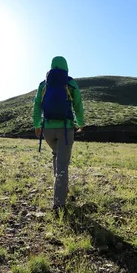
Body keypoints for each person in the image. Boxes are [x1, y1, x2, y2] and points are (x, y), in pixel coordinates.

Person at [33, 56, 85, 211]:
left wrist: (37, 125)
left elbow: (37, 105)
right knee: (62, 165)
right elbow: (78, 105)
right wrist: (81, 124)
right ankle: (58, 204)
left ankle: (63, 190)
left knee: (57, 155)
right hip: (65, 129)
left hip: (47, 130)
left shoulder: (44, 84)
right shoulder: (70, 83)